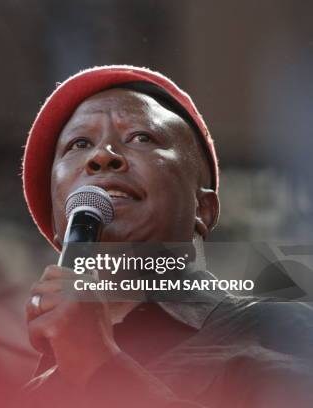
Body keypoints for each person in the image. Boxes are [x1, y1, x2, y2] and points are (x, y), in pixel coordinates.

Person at [19, 65, 313, 407]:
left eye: (142, 138)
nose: (102, 156)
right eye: (79, 144)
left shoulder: (284, 330)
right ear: (57, 224)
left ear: (202, 209)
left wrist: (101, 366)